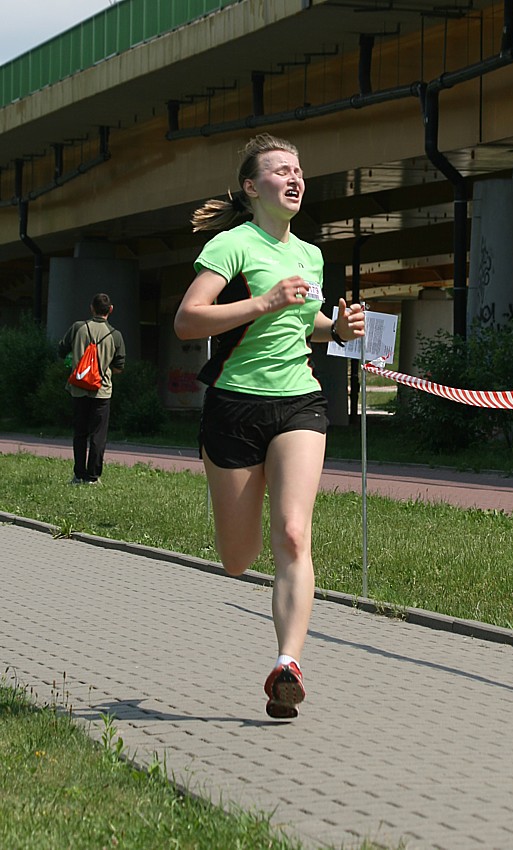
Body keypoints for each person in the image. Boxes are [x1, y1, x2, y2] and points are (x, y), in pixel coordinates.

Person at [174, 133, 364, 719]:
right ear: (252, 187)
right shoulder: (231, 245)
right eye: (280, 170)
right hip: (234, 407)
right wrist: (264, 301)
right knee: (238, 558)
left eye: (298, 170)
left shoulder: (311, 254)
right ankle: (247, 559)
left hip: (298, 402)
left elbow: (306, 325)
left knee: (293, 534)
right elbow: (187, 321)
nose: (294, 178)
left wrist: (337, 329)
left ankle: (288, 665)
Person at [58, 292, 126, 485]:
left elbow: (61, 350)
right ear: (110, 310)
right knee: (98, 435)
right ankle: (93, 477)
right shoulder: (115, 335)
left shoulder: (78, 327)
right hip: (101, 391)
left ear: (91, 308)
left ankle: (78, 475)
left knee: (80, 433)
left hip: (78, 389)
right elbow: (119, 367)